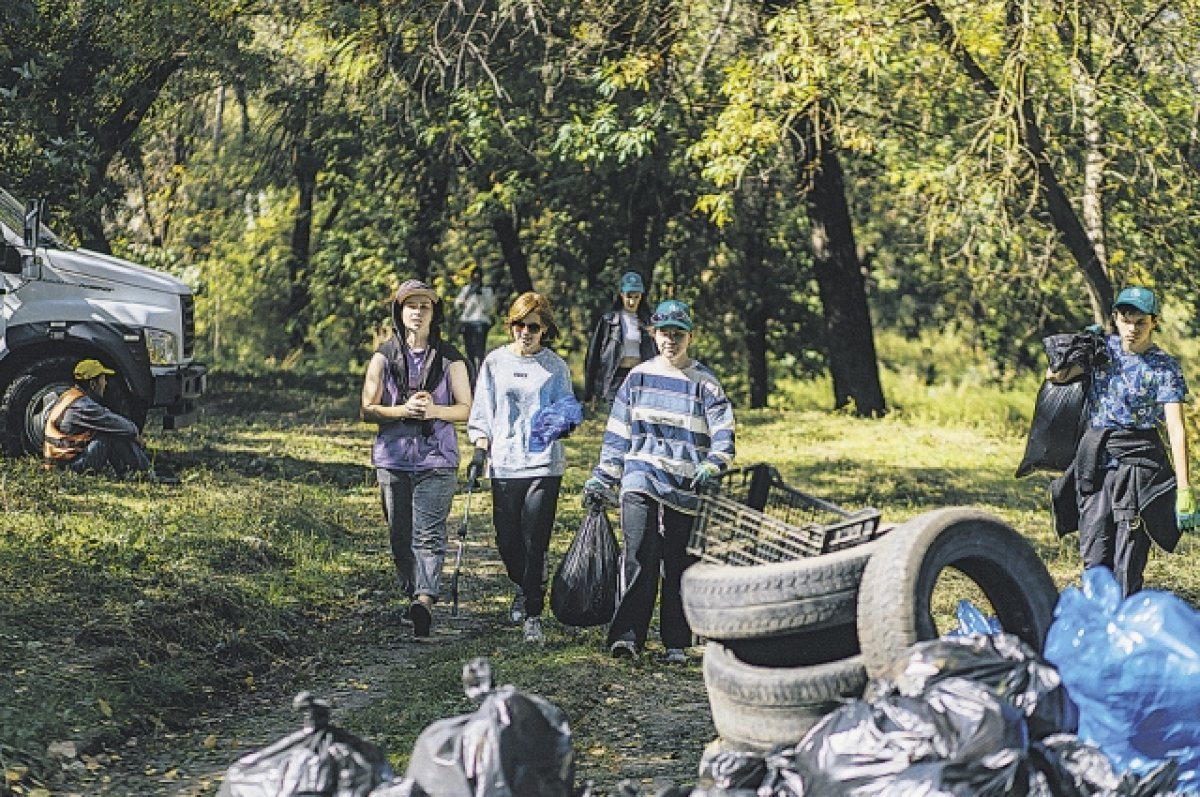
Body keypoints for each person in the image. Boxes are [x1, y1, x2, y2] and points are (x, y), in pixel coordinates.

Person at [584, 299, 736, 663]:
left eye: (678, 334)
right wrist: (602, 478)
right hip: (641, 476)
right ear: (653, 335)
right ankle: (627, 637)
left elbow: (724, 433)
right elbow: (618, 434)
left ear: (690, 337)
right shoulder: (637, 378)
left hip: (686, 484)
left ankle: (676, 642)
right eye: (665, 333)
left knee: (677, 563)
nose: (671, 340)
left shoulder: (706, 383)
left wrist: (715, 463)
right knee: (638, 555)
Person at [1047, 286, 1195, 596]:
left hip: (1137, 466)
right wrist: (1077, 347)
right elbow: (1055, 376)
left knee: (1128, 558)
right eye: (1126, 320)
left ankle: (1124, 628)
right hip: (1095, 465)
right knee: (1095, 554)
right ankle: (1096, 625)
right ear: (1116, 318)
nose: (1132, 329)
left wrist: (1184, 488)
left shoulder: (1164, 367)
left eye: (1140, 322)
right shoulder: (1101, 352)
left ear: (1153, 322)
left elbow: (1176, 429)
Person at [361, 279, 472, 638]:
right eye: (412, 306)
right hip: (392, 460)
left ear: (433, 313)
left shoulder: (451, 357)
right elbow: (367, 409)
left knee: (427, 535)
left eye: (425, 306)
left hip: (436, 460)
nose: (418, 312)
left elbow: (467, 409)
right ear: (400, 312)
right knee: (400, 537)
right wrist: (402, 411)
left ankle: (424, 599)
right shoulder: (383, 356)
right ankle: (413, 594)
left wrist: (435, 410)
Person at [466, 292, 578, 645]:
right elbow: (482, 411)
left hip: (543, 464)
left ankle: (533, 611)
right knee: (507, 540)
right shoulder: (495, 363)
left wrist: (561, 422)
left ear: (545, 329)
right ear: (510, 326)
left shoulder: (555, 367)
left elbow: (567, 411)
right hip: (505, 463)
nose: (525, 332)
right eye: (518, 325)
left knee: (534, 539)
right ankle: (525, 583)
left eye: (533, 326)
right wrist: (480, 449)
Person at [43, 358, 154, 477]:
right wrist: (135, 433)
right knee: (110, 434)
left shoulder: (69, 396)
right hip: (68, 468)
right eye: (103, 379)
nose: (105, 383)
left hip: (58, 463)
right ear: (92, 384)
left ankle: (134, 471)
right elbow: (117, 424)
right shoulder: (83, 406)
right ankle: (147, 474)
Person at [583, 271, 656, 406]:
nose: (632, 301)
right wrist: (591, 391)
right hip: (615, 377)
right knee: (617, 421)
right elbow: (594, 355)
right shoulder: (609, 321)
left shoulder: (649, 322)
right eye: (629, 296)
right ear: (621, 294)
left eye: (636, 297)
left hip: (641, 378)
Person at [454, 268, 497, 382]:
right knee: (469, 350)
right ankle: (472, 374)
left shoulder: (487, 291)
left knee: (480, 350)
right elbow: (458, 304)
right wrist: (467, 296)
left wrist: (480, 295)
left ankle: (481, 374)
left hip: (481, 321)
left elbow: (488, 307)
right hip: (467, 321)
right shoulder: (466, 289)